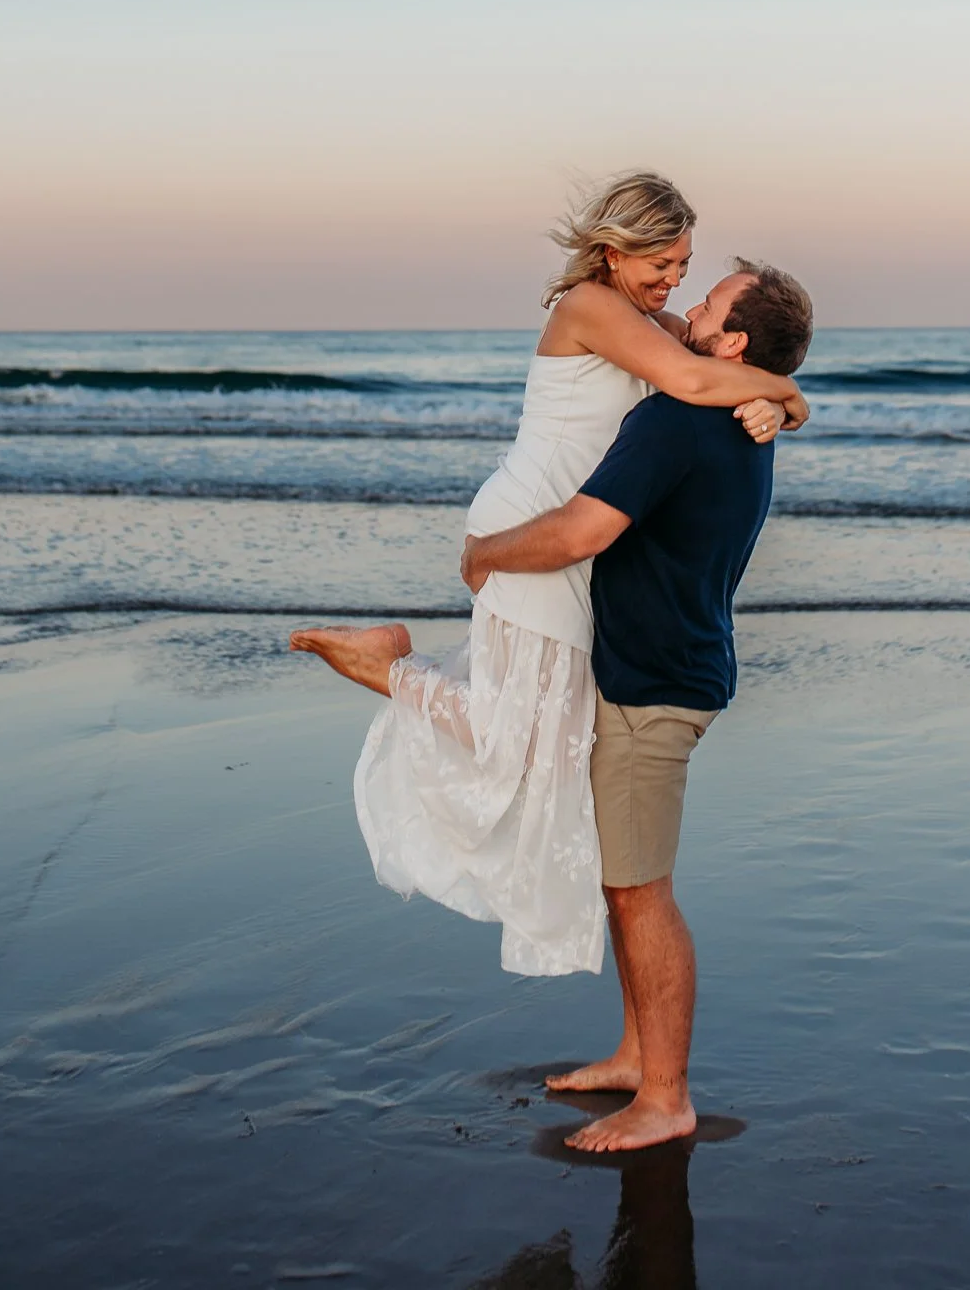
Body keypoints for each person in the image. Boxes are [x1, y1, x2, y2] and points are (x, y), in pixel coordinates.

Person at [289, 173, 808, 977]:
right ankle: (388, 664)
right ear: (614, 251)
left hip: (577, 542)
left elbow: (713, 364)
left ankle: (393, 664)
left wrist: (780, 403)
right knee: (520, 741)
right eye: (662, 263)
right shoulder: (590, 306)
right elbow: (698, 379)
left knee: (546, 741)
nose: (675, 283)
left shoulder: (653, 321)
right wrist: (783, 392)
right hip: (533, 529)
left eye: (685, 267)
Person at [460, 256, 814, 1151]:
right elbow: (681, 360)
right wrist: (788, 394)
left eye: (707, 301)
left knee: (640, 892)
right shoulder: (737, 416)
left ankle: (665, 1098)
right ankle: (633, 1055)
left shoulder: (675, 421)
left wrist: (484, 551)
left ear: (730, 342)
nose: (687, 307)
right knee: (627, 889)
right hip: (670, 669)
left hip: (654, 687)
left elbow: (583, 530)